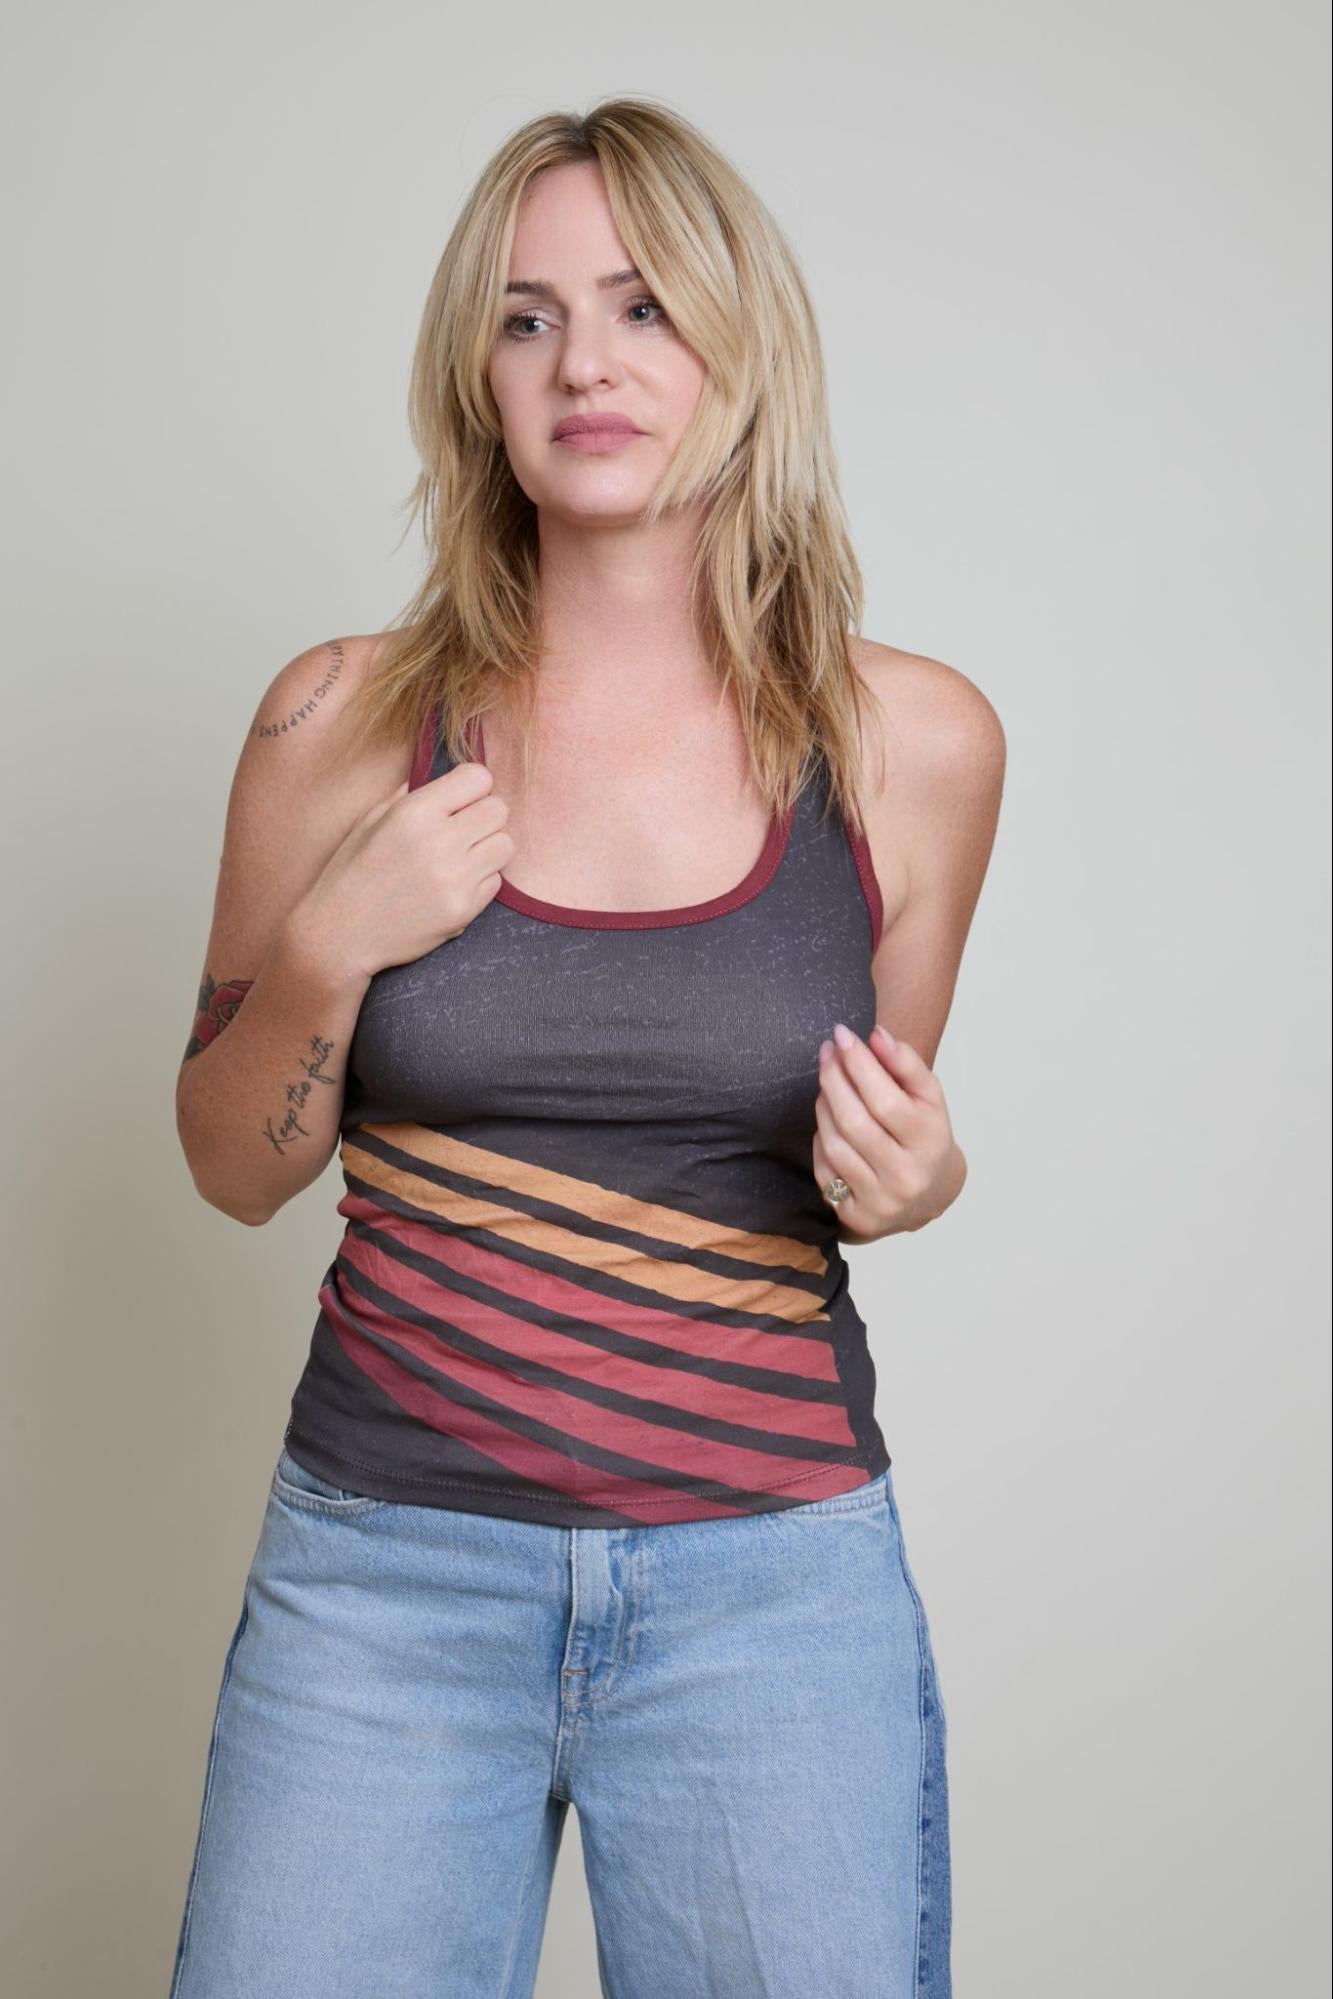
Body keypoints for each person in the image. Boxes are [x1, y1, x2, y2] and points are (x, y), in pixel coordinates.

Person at [169, 95, 1004, 1999]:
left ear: (740, 346)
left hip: (771, 1593)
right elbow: (227, 1166)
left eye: (643, 307)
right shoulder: (336, 720)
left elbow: (853, 1167)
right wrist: (332, 945)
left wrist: (924, 1179)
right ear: (475, 376)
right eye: (527, 318)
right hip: (382, 1588)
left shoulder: (911, 745)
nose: (584, 365)